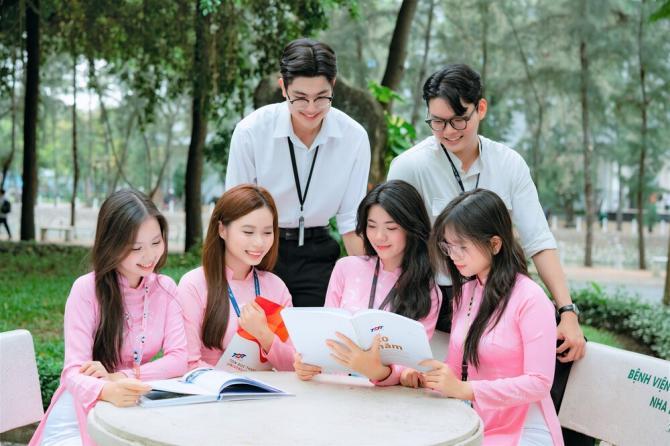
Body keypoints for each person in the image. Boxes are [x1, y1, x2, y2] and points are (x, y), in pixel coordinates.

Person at [387, 63, 585, 355]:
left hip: (500, 291)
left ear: (480, 108)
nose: (448, 132)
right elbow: (391, 244)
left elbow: (538, 240)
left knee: (563, 345)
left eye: (458, 120)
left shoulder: (509, 164)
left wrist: (567, 311)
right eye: (437, 122)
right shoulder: (410, 167)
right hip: (440, 296)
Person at [401, 189, 563, 445]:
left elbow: (539, 383)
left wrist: (467, 389)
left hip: (524, 429)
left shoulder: (531, 299)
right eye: (448, 246)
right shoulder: (466, 293)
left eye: (462, 246)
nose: (453, 255)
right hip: (477, 423)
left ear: (495, 244)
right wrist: (428, 378)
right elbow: (456, 367)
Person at [29, 189, 188, 446]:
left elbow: (179, 358)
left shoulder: (166, 289)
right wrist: (106, 389)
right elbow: (73, 373)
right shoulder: (86, 290)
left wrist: (121, 377)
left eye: (156, 242)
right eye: (136, 248)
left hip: (128, 407)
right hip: (78, 415)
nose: (150, 256)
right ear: (111, 245)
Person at [225, 38, 371, 308]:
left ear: (333, 85)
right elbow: (236, 212)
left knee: (318, 331)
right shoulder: (251, 132)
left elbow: (351, 223)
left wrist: (368, 290)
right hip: (262, 248)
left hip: (319, 253)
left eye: (322, 97)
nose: (312, 108)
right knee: (257, 331)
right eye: (301, 98)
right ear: (283, 88)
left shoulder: (354, 138)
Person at [293, 180, 441, 382]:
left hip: (386, 396)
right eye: (371, 226)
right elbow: (325, 337)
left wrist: (376, 371)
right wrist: (306, 363)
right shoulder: (346, 268)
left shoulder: (427, 291)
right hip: (337, 387)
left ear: (411, 228)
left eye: (391, 227)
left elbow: (412, 364)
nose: (379, 236)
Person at [177, 184, 294, 371]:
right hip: (212, 387)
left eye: (267, 232)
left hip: (266, 389)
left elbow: (295, 365)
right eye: (248, 232)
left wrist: (264, 334)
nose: (259, 242)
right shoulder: (193, 285)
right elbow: (188, 363)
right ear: (222, 230)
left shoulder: (276, 287)